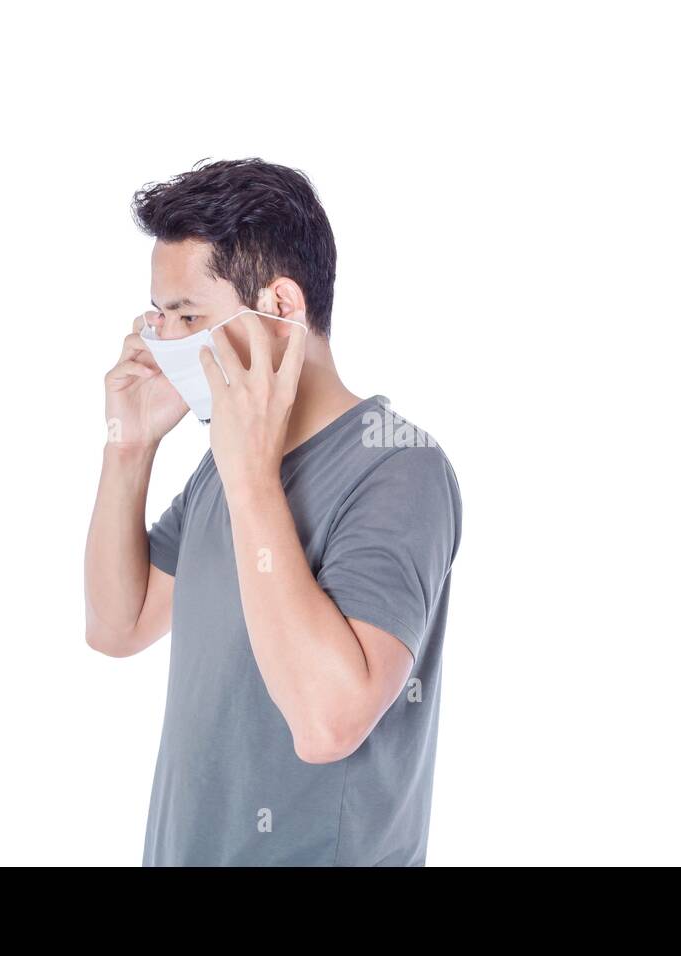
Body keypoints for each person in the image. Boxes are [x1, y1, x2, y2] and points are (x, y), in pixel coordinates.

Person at [83, 158, 463, 866]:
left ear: (282, 308)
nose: (165, 340)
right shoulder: (222, 464)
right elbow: (117, 625)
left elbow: (326, 724)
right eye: (160, 315)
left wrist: (252, 475)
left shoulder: (401, 468)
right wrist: (129, 448)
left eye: (188, 315)